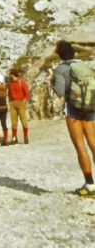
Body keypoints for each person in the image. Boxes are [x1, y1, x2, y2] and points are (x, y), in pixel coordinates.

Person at [52, 40, 95, 197]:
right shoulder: (83, 66)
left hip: (73, 111)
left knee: (80, 146)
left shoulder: (61, 68)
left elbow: (60, 92)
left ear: (59, 54)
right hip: (90, 109)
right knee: (93, 143)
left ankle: (90, 185)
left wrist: (52, 80)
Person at [7, 68, 30, 144]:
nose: (9, 76)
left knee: (24, 121)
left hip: (20, 103)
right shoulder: (10, 83)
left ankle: (26, 136)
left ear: (13, 74)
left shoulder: (21, 82)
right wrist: (10, 102)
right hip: (12, 104)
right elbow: (9, 93)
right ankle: (14, 138)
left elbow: (27, 93)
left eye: (10, 74)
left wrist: (23, 101)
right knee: (13, 122)